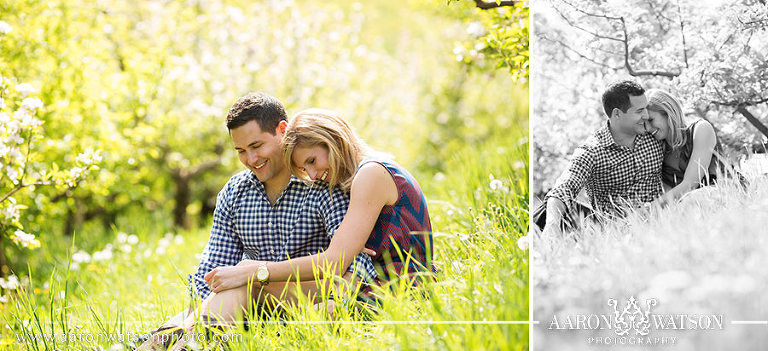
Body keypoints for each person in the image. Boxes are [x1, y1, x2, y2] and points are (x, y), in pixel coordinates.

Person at [136, 93, 375, 350]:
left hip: (308, 303)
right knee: (184, 323)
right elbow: (214, 266)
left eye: (257, 146)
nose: (251, 160)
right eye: (241, 151)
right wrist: (198, 312)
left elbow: (353, 264)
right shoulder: (235, 192)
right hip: (246, 308)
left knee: (242, 284)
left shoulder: (322, 182)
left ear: (282, 130)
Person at [203, 108, 434, 306]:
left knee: (255, 287)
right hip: (383, 289)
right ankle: (187, 334)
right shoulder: (367, 174)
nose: (313, 175)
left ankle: (191, 338)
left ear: (332, 139)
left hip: (400, 293)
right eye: (305, 169)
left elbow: (334, 261)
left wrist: (255, 269)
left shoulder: (371, 173)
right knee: (253, 290)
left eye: (312, 160)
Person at [535, 80, 664, 233]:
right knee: (548, 209)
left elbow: (685, 137)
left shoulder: (655, 133)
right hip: (612, 228)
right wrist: (552, 226)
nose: (646, 115)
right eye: (639, 111)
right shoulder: (593, 150)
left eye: (646, 109)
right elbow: (564, 187)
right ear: (617, 114)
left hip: (659, 219)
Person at [644, 89, 727, 206]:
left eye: (651, 120)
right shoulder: (657, 147)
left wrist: (651, 208)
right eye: (644, 123)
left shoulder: (700, 129)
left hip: (724, 191)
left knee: (691, 200)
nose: (647, 128)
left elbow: (690, 184)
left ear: (668, 113)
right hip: (689, 204)